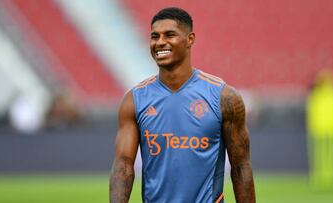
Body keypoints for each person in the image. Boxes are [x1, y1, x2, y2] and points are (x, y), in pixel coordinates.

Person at [109, 7, 255, 203]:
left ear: (190, 39)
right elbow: (123, 166)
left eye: (169, 35)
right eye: (155, 36)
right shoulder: (134, 100)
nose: (160, 42)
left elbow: (240, 166)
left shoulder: (224, 97)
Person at [306, 69, 333, 190]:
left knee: (322, 155)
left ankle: (323, 176)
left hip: (323, 128)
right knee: (331, 155)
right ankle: (330, 176)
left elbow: (312, 111)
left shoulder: (316, 95)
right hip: (331, 128)